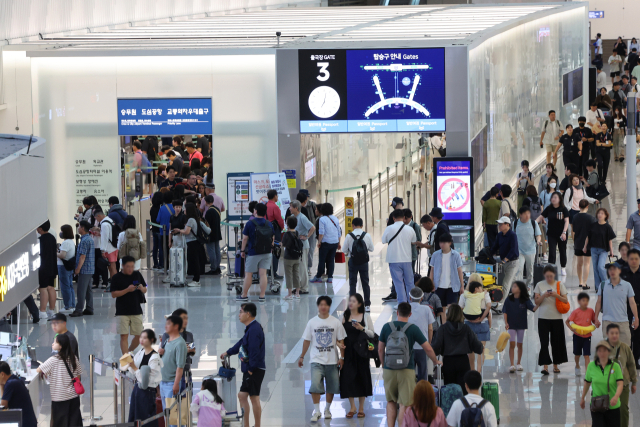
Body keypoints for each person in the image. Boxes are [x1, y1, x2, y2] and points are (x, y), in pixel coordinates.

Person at [378, 302, 440, 427]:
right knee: (404, 404)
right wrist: (435, 361)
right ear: (410, 314)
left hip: (389, 369)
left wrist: (384, 365)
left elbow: (380, 349)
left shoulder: (386, 327)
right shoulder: (413, 328)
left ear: (397, 312)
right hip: (406, 369)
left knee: (390, 401)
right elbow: (427, 348)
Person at [298, 296, 347, 423]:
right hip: (316, 360)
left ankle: (327, 409)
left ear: (329, 306)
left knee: (332, 387)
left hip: (332, 360)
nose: (323, 307)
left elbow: (341, 340)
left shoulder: (335, 322)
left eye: (325, 304)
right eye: (321, 304)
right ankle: (317, 411)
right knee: (315, 385)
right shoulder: (312, 322)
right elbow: (307, 340)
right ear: (318, 306)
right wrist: (302, 356)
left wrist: (342, 357)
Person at [222, 303, 265, 427]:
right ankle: (246, 424)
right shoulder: (251, 329)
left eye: (241, 312)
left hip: (254, 369)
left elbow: (254, 351)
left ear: (248, 314)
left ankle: (257, 425)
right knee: (242, 396)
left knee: (254, 397)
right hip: (251, 368)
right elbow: (242, 343)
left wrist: (251, 368)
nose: (239, 315)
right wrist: (228, 352)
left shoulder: (254, 330)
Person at [432, 304, 483, 392]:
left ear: (448, 314)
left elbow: (435, 346)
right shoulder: (466, 328)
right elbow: (478, 347)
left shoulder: (443, 328)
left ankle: (451, 405)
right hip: (463, 361)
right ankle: (462, 405)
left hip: (448, 362)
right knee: (463, 389)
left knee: (450, 389)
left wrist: (438, 353)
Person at [339, 294, 374, 418]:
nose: (351, 303)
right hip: (348, 352)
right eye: (350, 301)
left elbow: (372, 334)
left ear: (359, 304)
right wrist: (340, 347)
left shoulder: (365, 316)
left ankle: (361, 407)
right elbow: (339, 334)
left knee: (361, 377)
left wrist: (362, 328)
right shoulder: (345, 316)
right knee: (348, 377)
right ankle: (352, 406)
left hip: (361, 352)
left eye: (354, 301)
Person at [36, 334, 83, 427]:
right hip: (73, 396)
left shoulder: (53, 360)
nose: (52, 344)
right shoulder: (74, 358)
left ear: (61, 345)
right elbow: (78, 375)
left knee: (60, 423)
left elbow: (38, 370)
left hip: (59, 398)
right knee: (74, 422)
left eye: (55, 342)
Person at [533, 265, 569, 375]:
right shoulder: (539, 285)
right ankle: (545, 366)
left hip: (556, 318)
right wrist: (544, 295)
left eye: (551, 276)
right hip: (543, 318)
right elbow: (537, 302)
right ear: (544, 275)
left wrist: (556, 295)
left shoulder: (559, 284)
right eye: (547, 276)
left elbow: (565, 300)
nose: (549, 278)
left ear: (554, 275)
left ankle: (556, 365)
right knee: (544, 342)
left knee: (556, 342)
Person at [579, 340, 624, 427]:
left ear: (609, 352)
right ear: (597, 352)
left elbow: (620, 384)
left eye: (604, 350)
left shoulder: (616, 366)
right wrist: (582, 398)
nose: (602, 353)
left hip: (612, 406)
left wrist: (616, 396)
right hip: (597, 405)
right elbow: (587, 383)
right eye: (599, 350)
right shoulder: (591, 366)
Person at [594, 262, 639, 347]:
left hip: (623, 322)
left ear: (619, 270)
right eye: (610, 269)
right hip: (607, 321)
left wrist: (636, 318)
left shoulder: (627, 285)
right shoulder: (603, 285)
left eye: (614, 269)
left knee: (625, 349)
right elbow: (599, 302)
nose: (612, 271)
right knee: (609, 351)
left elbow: (632, 302)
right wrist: (595, 317)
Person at [238, 203, 274, 303]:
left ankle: (244, 295)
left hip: (253, 252)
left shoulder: (250, 223)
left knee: (248, 274)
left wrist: (242, 250)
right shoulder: (269, 223)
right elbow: (272, 238)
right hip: (266, 252)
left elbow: (245, 238)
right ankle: (262, 296)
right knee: (263, 274)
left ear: (256, 211)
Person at [110, 256, 147, 355]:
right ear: (122, 266)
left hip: (136, 309)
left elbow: (145, 289)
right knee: (124, 335)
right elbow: (113, 294)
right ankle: (125, 358)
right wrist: (127, 290)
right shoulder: (116, 277)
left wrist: (142, 289)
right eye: (128, 266)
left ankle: (129, 351)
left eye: (132, 266)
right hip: (122, 311)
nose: (130, 269)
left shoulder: (137, 274)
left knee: (139, 335)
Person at [126, 329, 163, 427]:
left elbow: (147, 381)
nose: (141, 340)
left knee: (146, 420)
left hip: (148, 391)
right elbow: (134, 371)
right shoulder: (140, 352)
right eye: (141, 337)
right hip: (138, 389)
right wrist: (130, 364)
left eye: (145, 338)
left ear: (151, 340)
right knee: (134, 416)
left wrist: (134, 367)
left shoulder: (154, 357)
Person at [605, 323, 637, 427]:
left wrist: (634, 382)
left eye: (616, 333)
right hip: (607, 386)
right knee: (609, 410)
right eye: (612, 333)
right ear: (607, 334)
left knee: (623, 409)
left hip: (623, 384)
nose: (614, 335)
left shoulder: (625, 348)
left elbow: (631, 364)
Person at [159, 315, 187, 426]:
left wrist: (176, 384)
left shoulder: (180, 344)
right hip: (163, 382)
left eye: (169, 323)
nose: (166, 326)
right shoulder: (167, 341)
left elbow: (180, 367)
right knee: (167, 415)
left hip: (171, 383)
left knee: (173, 417)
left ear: (176, 326)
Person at [503, 281, 536, 372]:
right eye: (512, 286)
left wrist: (540, 302)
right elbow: (505, 311)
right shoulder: (509, 299)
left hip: (521, 325)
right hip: (511, 325)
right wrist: (506, 322)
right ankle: (512, 364)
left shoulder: (525, 299)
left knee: (520, 344)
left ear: (520, 289)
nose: (512, 288)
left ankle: (519, 363)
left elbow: (533, 308)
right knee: (512, 344)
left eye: (515, 287)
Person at [175, 203, 210, 287]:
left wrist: (179, 230)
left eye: (185, 209)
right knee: (194, 261)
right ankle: (195, 279)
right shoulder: (194, 219)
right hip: (193, 242)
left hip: (192, 243)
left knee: (195, 261)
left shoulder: (191, 219)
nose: (184, 210)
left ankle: (196, 280)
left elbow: (187, 231)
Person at [459, 282, 491, 372]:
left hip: (468, 324)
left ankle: (472, 372)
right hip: (483, 324)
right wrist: (481, 318)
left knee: (470, 351)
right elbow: (489, 305)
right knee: (481, 351)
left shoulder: (464, 295)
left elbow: (459, 308)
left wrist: (467, 317)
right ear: (477, 288)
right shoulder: (484, 294)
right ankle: (479, 373)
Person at [159, 309, 195, 389]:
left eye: (186, 318)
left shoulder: (189, 335)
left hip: (186, 371)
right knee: (173, 399)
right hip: (171, 374)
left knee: (186, 397)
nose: (185, 321)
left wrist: (190, 350)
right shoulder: (167, 335)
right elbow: (164, 353)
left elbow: (192, 350)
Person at [343, 217, 374, 310]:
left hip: (353, 261)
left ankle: (352, 304)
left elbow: (344, 249)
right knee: (365, 283)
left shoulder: (349, 236)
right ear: (362, 225)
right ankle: (367, 304)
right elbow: (372, 249)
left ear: (352, 225)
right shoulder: (367, 235)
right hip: (364, 262)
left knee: (352, 283)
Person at [536, 192, 569, 276]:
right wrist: (534, 223)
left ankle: (563, 267)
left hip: (562, 234)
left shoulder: (563, 209)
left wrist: (564, 232)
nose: (553, 199)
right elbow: (541, 216)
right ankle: (551, 268)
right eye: (552, 198)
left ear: (559, 199)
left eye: (555, 197)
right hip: (551, 233)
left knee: (562, 251)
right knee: (552, 252)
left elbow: (566, 221)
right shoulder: (549, 208)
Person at [585, 208, 616, 293]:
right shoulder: (593, 225)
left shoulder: (607, 227)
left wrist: (611, 251)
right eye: (599, 213)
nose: (600, 215)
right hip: (594, 249)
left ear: (605, 216)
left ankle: (606, 284)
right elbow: (588, 237)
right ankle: (598, 287)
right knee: (595, 268)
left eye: (602, 213)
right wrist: (585, 247)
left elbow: (610, 240)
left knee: (600, 267)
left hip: (603, 250)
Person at [429, 233, 463, 310]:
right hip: (439, 285)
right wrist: (431, 284)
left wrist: (462, 286)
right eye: (440, 242)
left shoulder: (456, 255)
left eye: (444, 242)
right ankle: (444, 322)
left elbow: (459, 271)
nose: (441, 244)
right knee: (441, 308)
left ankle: (450, 322)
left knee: (452, 308)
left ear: (450, 243)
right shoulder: (435, 255)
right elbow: (432, 270)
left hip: (453, 286)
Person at [408, 287, 435, 381]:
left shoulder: (405, 308)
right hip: (422, 346)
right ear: (422, 298)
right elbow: (430, 329)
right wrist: (429, 343)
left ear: (410, 298)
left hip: (408, 347)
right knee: (423, 374)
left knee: (409, 374)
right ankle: (422, 393)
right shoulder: (427, 309)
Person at [566, 292, 596, 376]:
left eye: (587, 300)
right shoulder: (575, 312)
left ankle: (588, 372)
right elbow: (567, 321)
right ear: (579, 301)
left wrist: (596, 323)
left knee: (587, 355)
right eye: (583, 300)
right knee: (577, 354)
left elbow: (593, 320)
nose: (585, 302)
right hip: (577, 336)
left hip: (587, 336)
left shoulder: (590, 311)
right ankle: (577, 365)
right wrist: (571, 329)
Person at [311, 203, 342, 285]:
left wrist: (319, 242)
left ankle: (318, 277)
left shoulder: (322, 219)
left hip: (325, 243)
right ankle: (330, 277)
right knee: (331, 260)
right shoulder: (335, 218)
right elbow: (339, 232)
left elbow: (321, 233)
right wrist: (339, 242)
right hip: (334, 242)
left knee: (322, 260)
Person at [491, 216, 519, 306]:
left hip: (512, 263)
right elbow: (495, 246)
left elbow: (513, 250)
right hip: (504, 262)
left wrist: (505, 259)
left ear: (507, 225)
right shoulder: (499, 235)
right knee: (513, 283)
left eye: (501, 224)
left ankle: (501, 303)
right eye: (499, 224)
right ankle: (521, 296)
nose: (499, 226)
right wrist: (489, 254)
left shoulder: (512, 235)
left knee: (506, 283)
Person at [289, 200, 315, 295]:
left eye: (291, 207)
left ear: (296, 208)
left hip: (303, 246)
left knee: (302, 266)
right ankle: (297, 287)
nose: (289, 208)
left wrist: (306, 236)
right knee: (296, 267)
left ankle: (304, 288)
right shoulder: (292, 217)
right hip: (294, 245)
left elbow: (312, 227)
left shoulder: (302, 217)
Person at [0, 362, 37, 427]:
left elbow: (3, 407)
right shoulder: (15, 379)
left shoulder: (10, 384)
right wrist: (1, 385)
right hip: (29, 421)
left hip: (24, 423)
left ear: (2, 374)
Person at [70, 220, 95, 317]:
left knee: (81, 289)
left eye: (79, 227)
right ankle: (89, 308)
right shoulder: (89, 239)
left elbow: (82, 256)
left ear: (83, 228)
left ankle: (79, 309)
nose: (78, 228)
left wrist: (78, 269)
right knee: (88, 289)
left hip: (84, 269)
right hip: (90, 268)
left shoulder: (84, 241)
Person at [621, 248, 640, 368]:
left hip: (639, 307)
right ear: (627, 259)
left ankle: (636, 359)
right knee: (626, 334)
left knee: (638, 336)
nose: (634, 261)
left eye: (636, 259)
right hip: (625, 308)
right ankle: (626, 359)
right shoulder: (622, 274)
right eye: (631, 259)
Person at [514, 206, 541, 290]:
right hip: (519, 251)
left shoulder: (533, 223)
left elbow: (538, 235)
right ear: (520, 214)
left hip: (531, 250)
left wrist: (538, 241)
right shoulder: (515, 223)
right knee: (519, 268)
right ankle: (520, 286)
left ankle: (528, 285)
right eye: (525, 214)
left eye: (528, 213)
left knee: (530, 270)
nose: (527, 216)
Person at [37, 220, 58, 322]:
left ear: (40, 228)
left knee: (43, 288)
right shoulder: (52, 237)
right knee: (51, 287)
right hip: (53, 266)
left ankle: (42, 311)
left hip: (43, 266)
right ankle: (51, 310)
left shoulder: (40, 239)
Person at [573, 200, 596, 290]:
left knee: (579, 263)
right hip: (588, 243)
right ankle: (585, 283)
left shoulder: (575, 217)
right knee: (587, 263)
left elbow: (574, 230)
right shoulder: (591, 218)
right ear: (587, 206)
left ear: (579, 207)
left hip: (578, 242)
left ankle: (580, 282)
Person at [94, 208, 119, 287]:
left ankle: (114, 285)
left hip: (109, 248)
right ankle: (115, 284)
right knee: (113, 266)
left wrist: (103, 251)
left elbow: (105, 238)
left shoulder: (104, 224)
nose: (96, 220)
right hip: (114, 247)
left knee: (111, 268)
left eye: (96, 218)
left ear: (98, 216)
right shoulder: (110, 220)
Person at [264, 189, 284, 280]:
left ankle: (267, 271)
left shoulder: (265, 206)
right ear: (275, 196)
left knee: (267, 251)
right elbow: (279, 220)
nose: (277, 197)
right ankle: (274, 272)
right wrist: (282, 227)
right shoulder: (275, 207)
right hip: (275, 231)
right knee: (276, 251)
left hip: (265, 231)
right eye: (277, 195)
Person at [56, 224, 76, 313]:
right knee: (70, 286)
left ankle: (67, 306)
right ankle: (72, 305)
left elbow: (62, 255)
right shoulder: (71, 242)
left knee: (65, 287)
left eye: (62, 231)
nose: (61, 233)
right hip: (69, 266)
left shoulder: (65, 243)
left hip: (63, 267)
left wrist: (54, 253)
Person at [282, 216, 302, 300]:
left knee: (289, 275)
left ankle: (289, 294)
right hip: (297, 257)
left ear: (288, 224)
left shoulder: (286, 234)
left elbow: (283, 244)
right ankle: (297, 293)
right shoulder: (297, 233)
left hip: (288, 257)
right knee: (296, 274)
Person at [203, 195, 223, 275]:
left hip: (210, 234)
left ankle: (213, 268)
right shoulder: (217, 209)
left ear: (205, 202)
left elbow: (207, 224)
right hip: (217, 233)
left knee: (211, 252)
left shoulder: (209, 211)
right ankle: (217, 267)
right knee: (217, 250)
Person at [404, 209, 422, 274]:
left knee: (410, 272)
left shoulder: (415, 226)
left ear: (411, 217)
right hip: (403, 253)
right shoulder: (402, 226)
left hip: (412, 253)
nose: (405, 220)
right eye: (404, 218)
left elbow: (419, 239)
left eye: (406, 218)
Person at [150, 192, 164, 271]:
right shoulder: (160, 208)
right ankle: (161, 264)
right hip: (160, 229)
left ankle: (155, 263)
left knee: (155, 247)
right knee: (160, 247)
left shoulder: (152, 208)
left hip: (154, 229)